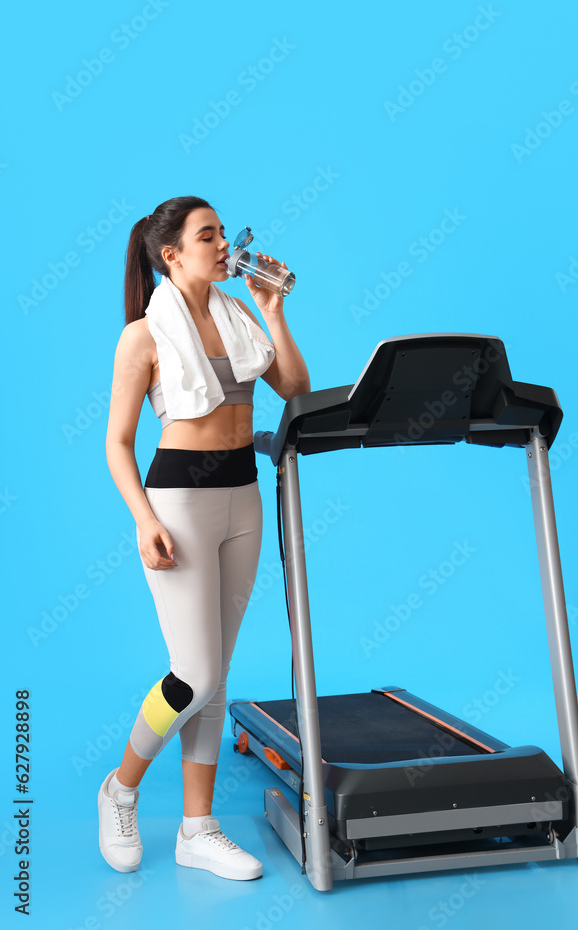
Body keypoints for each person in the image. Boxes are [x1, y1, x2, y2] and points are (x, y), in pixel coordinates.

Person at [98, 195, 310, 881]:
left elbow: (295, 392)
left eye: (226, 233)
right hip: (180, 502)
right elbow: (118, 443)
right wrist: (145, 518)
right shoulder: (143, 336)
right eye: (210, 236)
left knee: (215, 677)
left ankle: (198, 827)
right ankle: (120, 787)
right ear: (172, 255)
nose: (226, 245)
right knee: (195, 673)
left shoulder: (240, 315)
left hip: (240, 498)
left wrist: (273, 309)